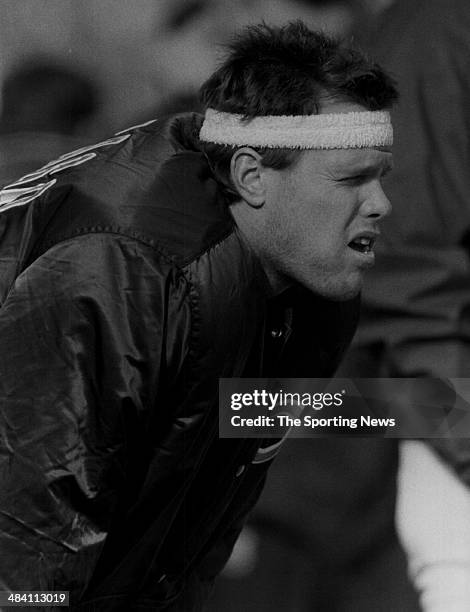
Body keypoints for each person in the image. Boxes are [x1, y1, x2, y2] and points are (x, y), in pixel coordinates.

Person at [0, 22, 397, 611]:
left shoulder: (301, 269)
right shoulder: (123, 271)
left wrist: (445, 413)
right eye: (351, 180)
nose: (381, 204)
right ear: (251, 175)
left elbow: (234, 411)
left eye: (380, 176)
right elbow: (30, 533)